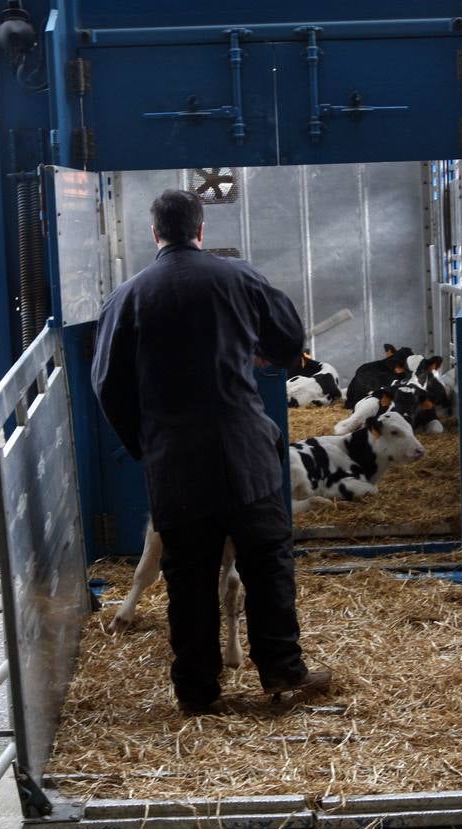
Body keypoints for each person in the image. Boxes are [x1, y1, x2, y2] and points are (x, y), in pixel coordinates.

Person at [91, 189, 331, 713]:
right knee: (267, 562)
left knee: (189, 575)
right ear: (200, 230)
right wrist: (270, 354)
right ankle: (282, 673)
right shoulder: (240, 277)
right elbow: (290, 340)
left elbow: (107, 384)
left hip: (176, 459)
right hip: (244, 448)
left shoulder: (126, 297)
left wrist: (147, 443)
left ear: (155, 233)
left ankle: (197, 693)